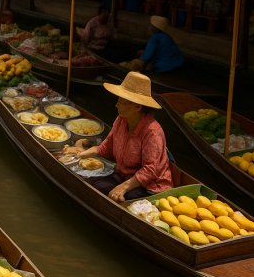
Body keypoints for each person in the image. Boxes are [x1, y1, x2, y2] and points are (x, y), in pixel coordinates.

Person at [62, 71, 172, 202]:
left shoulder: (152, 132)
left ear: (137, 106)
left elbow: (150, 170)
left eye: (121, 102)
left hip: (150, 185)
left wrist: (123, 187)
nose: (116, 105)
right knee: (94, 183)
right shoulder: (121, 119)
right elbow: (107, 146)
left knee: (120, 197)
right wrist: (83, 153)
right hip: (123, 175)